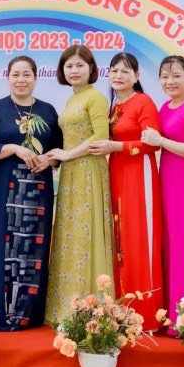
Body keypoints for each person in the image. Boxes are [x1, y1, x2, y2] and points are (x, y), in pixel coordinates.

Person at [0, 55, 61, 330]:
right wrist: (15, 149)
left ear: (36, 78)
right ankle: (0, 314)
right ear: (7, 77)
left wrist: (48, 159)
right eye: (16, 74)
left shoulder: (48, 110)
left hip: (38, 189)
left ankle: (31, 314)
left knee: (34, 246)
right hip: (5, 189)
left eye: (27, 74)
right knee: (3, 245)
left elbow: (59, 150)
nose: (21, 80)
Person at [86, 52, 163, 326]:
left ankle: (147, 313)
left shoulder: (143, 102)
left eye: (125, 71)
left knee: (139, 239)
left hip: (138, 174)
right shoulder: (114, 105)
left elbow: (153, 143)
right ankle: (124, 309)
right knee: (121, 240)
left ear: (137, 76)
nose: (118, 75)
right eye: (114, 71)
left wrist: (117, 146)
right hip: (117, 172)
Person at [43, 44, 114, 325]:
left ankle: (91, 307)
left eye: (80, 65)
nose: (74, 70)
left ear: (91, 69)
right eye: (69, 66)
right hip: (71, 172)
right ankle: (68, 305)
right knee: (71, 235)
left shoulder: (95, 97)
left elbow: (100, 137)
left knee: (87, 232)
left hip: (88, 171)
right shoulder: (73, 98)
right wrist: (57, 157)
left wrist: (68, 154)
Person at [142, 55, 184, 324]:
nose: (169, 81)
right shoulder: (166, 106)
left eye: (176, 76)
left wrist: (160, 140)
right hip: (169, 181)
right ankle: (172, 312)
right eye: (164, 76)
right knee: (173, 245)